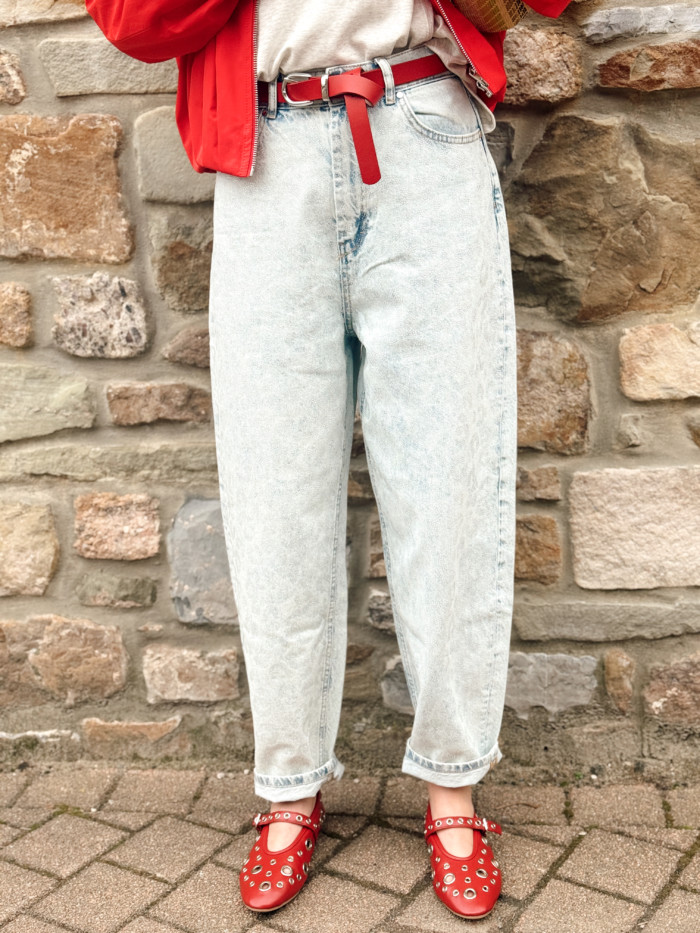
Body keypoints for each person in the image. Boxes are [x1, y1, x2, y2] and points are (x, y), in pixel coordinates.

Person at [88, 0, 571, 920]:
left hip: (423, 129)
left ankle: (454, 789)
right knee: (275, 490)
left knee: (449, 480)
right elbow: (132, 21)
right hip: (268, 152)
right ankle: (289, 787)